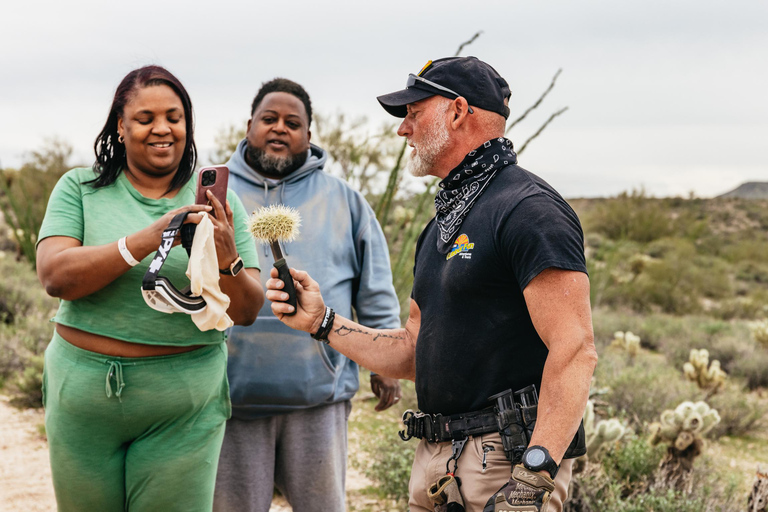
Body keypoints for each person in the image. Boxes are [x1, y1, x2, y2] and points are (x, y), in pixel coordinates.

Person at [265, 57, 598, 512]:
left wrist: (532, 478)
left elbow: (575, 349)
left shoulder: (529, 210)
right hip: (436, 465)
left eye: (414, 113)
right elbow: (411, 350)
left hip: (506, 468)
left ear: (458, 112)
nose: (403, 130)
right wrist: (321, 322)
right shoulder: (442, 225)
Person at [36, 65, 264, 512]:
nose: (162, 129)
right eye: (145, 118)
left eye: (174, 117)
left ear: (187, 125)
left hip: (182, 408)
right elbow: (55, 277)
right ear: (121, 127)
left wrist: (227, 258)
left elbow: (247, 310)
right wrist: (152, 236)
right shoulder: (78, 190)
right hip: (82, 402)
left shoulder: (220, 204)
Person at [213, 78, 402, 512]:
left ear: (309, 136)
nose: (280, 128)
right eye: (269, 119)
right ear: (249, 125)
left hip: (318, 400)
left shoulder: (345, 200)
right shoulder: (217, 196)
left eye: (292, 122)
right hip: (231, 400)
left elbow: (373, 288)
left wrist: (385, 360)